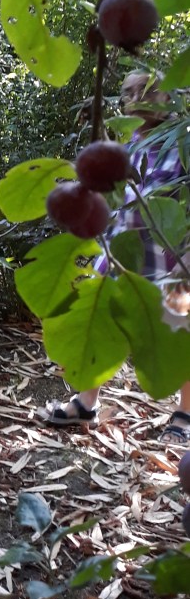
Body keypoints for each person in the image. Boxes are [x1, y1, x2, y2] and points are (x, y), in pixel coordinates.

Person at [39, 69, 190, 443]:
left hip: (172, 261)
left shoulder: (181, 144)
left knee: (181, 334)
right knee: (101, 327)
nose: (135, 99)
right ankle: (86, 402)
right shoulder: (129, 147)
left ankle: (185, 413)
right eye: (129, 92)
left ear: (166, 98)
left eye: (145, 92)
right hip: (123, 258)